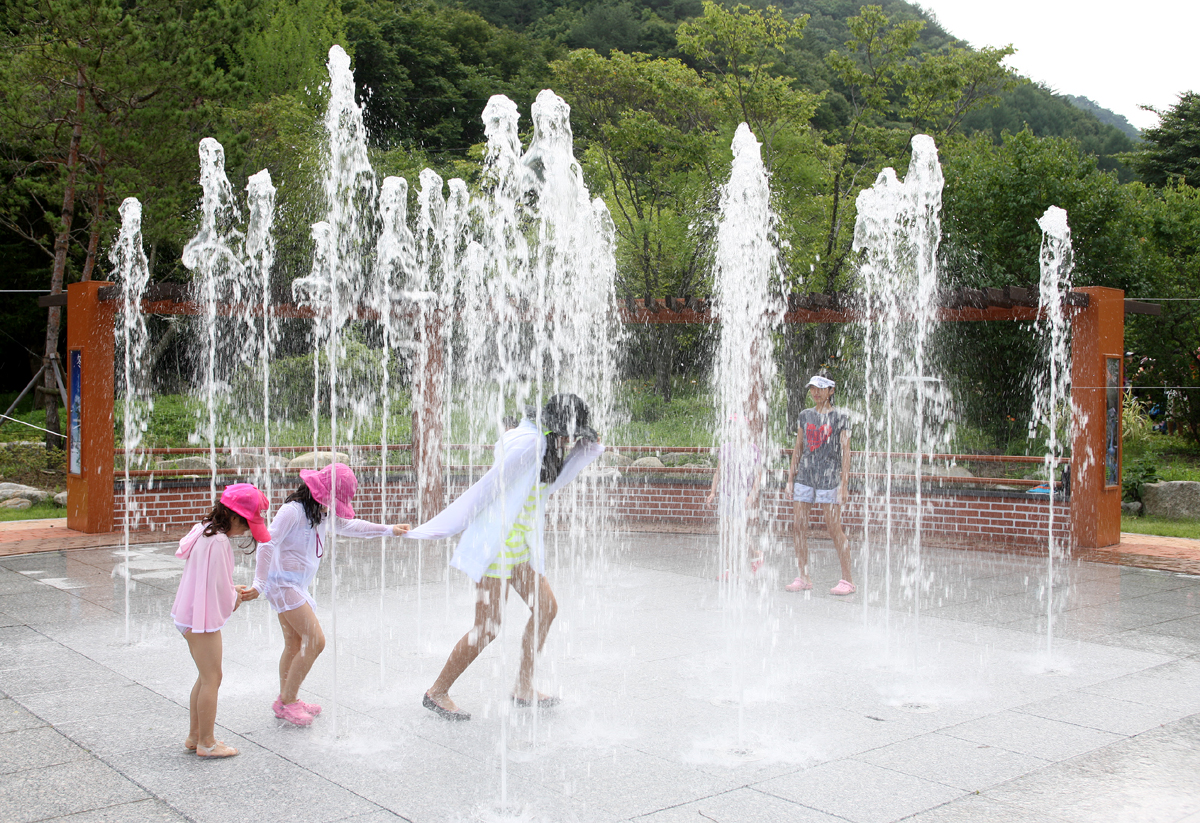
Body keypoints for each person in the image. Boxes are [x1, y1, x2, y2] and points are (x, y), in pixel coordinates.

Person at [407, 393, 604, 721]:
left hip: (518, 547)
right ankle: (437, 691)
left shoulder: (544, 444)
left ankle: (524, 686)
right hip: (496, 547)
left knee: (546, 609)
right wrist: (445, 525)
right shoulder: (529, 444)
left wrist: (591, 445)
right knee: (488, 627)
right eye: (572, 433)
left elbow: (554, 480)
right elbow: (488, 487)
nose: (572, 440)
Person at [241, 463, 410, 726]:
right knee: (316, 641)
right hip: (283, 584)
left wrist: (388, 529)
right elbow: (267, 542)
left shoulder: (319, 513)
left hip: (295, 585)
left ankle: (286, 699)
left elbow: (350, 526)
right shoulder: (293, 511)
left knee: (294, 643)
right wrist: (259, 583)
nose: (333, 509)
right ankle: (288, 701)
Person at [171, 483, 270, 758]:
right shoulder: (219, 542)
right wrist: (235, 596)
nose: (248, 530)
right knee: (213, 678)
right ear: (235, 516)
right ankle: (207, 742)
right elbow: (217, 587)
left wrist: (229, 589)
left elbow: (211, 579)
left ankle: (195, 736)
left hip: (189, 613)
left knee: (205, 676)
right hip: (200, 619)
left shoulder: (205, 529)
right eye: (248, 523)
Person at [785, 375, 855, 595]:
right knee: (798, 526)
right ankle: (803, 575)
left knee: (834, 528)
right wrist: (790, 478)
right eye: (812, 388)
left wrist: (844, 483)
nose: (815, 392)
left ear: (831, 390)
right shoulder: (805, 415)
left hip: (829, 478)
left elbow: (846, 452)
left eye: (820, 388)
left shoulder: (840, 417)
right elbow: (798, 447)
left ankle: (847, 579)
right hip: (805, 476)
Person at [706, 414, 764, 577]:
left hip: (742, 495)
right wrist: (713, 492)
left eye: (737, 427)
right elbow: (718, 472)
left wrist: (751, 495)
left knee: (737, 529)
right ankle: (729, 569)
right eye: (731, 427)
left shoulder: (753, 449)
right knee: (725, 530)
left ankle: (755, 554)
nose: (734, 430)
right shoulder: (725, 448)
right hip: (727, 493)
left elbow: (758, 475)